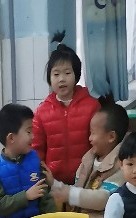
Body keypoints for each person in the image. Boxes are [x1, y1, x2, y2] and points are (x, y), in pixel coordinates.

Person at [31, 33, 100, 185]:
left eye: (67, 73)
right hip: (53, 182)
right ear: (50, 78)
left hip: (86, 180)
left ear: (76, 75)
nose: (61, 79)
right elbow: (36, 149)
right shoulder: (42, 112)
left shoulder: (92, 106)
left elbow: (99, 143)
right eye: (56, 74)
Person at [0, 103, 56, 218]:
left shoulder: (34, 160)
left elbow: (45, 198)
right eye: (28, 131)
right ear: (11, 138)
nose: (33, 136)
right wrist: (25, 196)